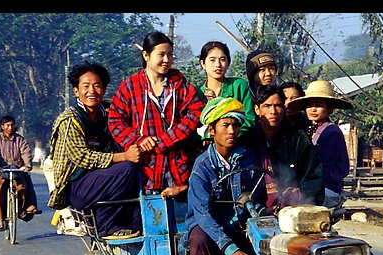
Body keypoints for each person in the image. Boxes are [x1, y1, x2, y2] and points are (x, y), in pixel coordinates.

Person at [179, 97, 265, 255]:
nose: (231, 131)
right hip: (209, 227)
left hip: (239, 224)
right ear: (212, 130)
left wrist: (263, 211)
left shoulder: (247, 157)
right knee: (200, 239)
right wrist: (230, 248)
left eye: (235, 125)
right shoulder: (202, 167)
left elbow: (255, 196)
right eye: (225, 125)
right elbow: (202, 215)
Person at [47, 61, 142, 240]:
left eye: (97, 85)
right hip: (77, 187)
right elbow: (81, 157)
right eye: (86, 86)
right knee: (127, 168)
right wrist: (123, 156)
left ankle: (134, 224)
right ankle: (106, 227)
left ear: (104, 90)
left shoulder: (107, 117)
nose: (92, 91)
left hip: (100, 179)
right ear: (76, 91)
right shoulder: (70, 119)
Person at [108, 31, 204, 200]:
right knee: (150, 214)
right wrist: (138, 140)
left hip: (177, 164)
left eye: (170, 55)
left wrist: (167, 139)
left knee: (181, 215)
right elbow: (115, 120)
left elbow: (196, 110)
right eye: (161, 54)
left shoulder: (180, 85)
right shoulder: (130, 86)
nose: (166, 60)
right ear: (146, 55)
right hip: (145, 166)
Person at [239, 84, 325, 211]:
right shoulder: (246, 140)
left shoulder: (298, 139)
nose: (273, 111)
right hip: (255, 210)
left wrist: (297, 202)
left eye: (278, 106)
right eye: (267, 106)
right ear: (257, 110)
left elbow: (313, 180)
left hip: (292, 210)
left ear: (284, 108)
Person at [289, 79, 352, 208]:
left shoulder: (331, 132)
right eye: (309, 105)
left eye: (318, 105)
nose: (313, 109)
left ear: (329, 108)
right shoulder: (307, 129)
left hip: (325, 188)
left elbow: (320, 165)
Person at [0, 115, 41, 232]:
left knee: (25, 186)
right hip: (1, 170)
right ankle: (0, 220)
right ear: (2, 127)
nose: (10, 127)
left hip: (17, 169)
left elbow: (26, 152)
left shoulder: (20, 140)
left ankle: (24, 209)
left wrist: (28, 164)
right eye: (7, 125)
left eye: (12, 125)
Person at [196, 41, 256, 137]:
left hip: (238, 143)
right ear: (203, 64)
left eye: (222, 59)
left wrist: (230, 135)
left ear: (228, 62)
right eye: (212, 60)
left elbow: (250, 119)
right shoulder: (196, 92)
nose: (218, 64)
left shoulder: (239, 86)